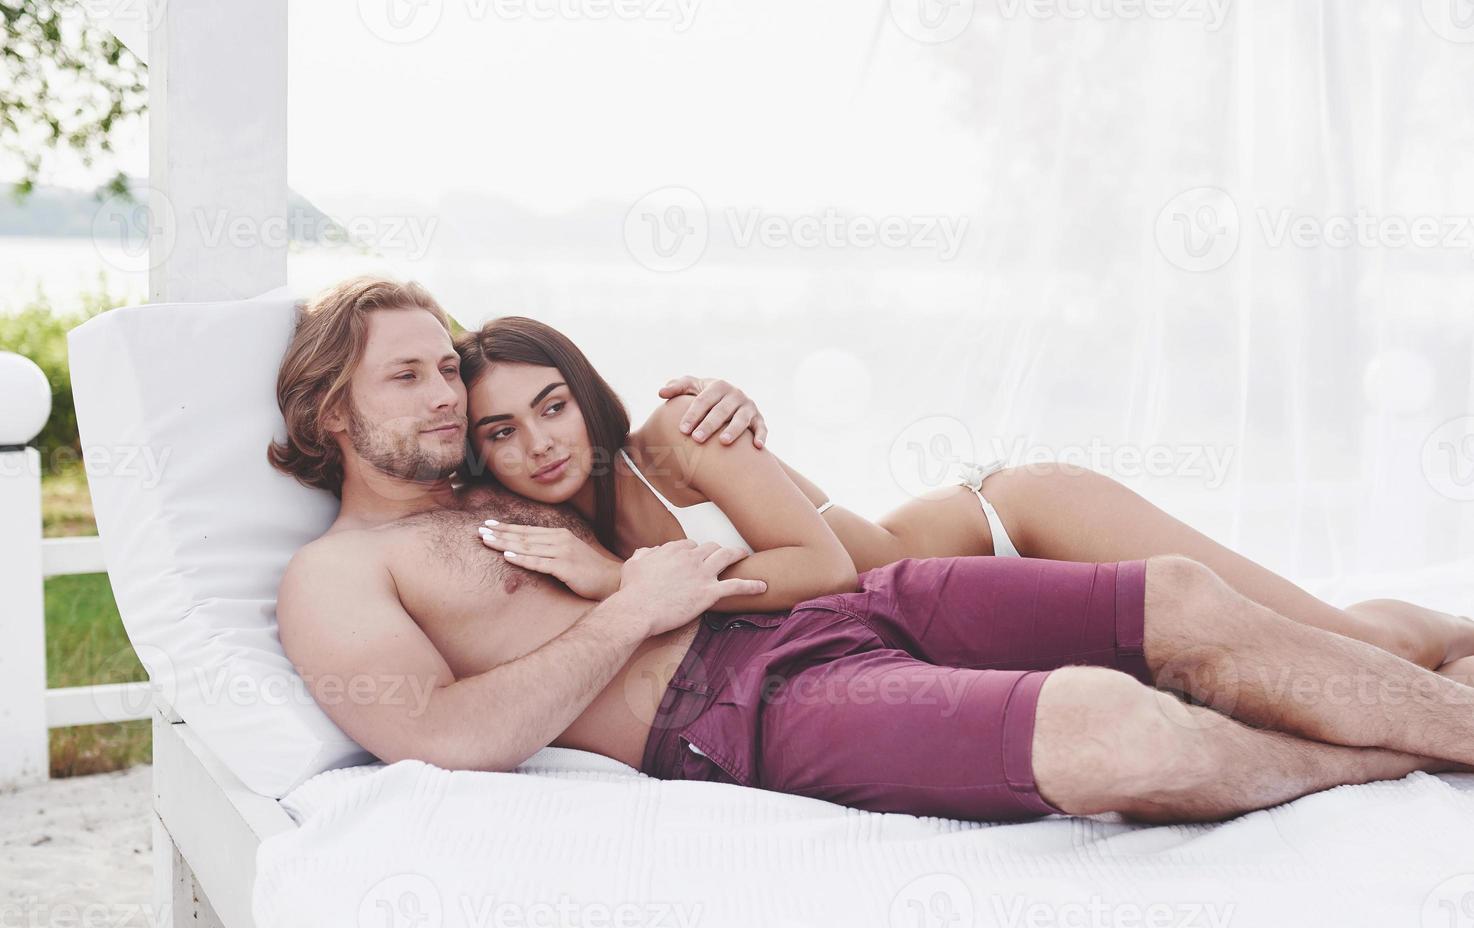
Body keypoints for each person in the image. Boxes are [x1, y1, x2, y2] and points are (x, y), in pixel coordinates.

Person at [271, 276, 1474, 826]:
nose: (447, 394)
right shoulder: (338, 577)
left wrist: (725, 422)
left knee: (1181, 595)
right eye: (414, 375)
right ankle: (1371, 758)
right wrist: (628, 609)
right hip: (741, 696)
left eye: (447, 366)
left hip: (845, 598)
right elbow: (439, 737)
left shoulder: (505, 464)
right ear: (335, 411)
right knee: (1113, 729)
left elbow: (613, 444)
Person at [457, 315, 1474, 673]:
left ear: (582, 388)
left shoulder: (676, 434)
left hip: (1014, 525)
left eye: (550, 404)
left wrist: (625, 582)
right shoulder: (546, 525)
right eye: (500, 430)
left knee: (1354, 651)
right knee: (1291, 670)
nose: (538, 441)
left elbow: (825, 567)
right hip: (974, 615)